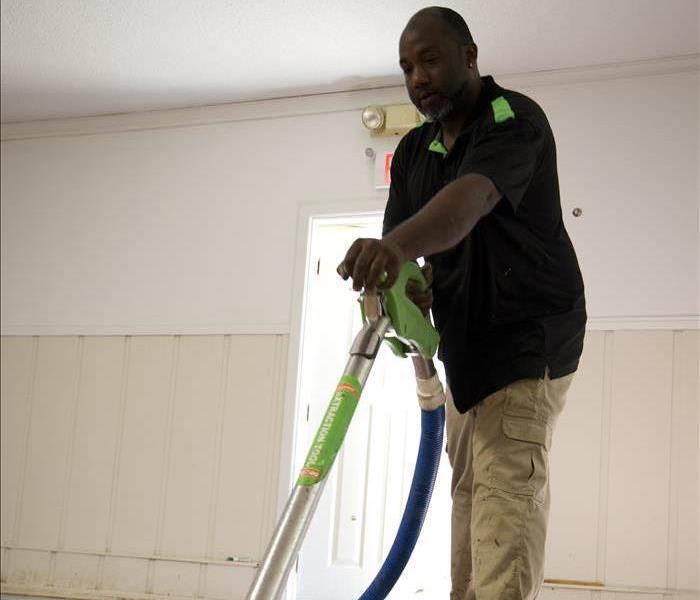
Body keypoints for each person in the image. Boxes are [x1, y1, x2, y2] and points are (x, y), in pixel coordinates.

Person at [337, 6, 586, 600]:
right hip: (465, 351)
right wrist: (403, 283)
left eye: (429, 60)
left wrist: (395, 247)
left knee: (505, 501)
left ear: (469, 56)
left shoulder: (514, 120)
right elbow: (411, 252)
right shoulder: (417, 148)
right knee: (472, 497)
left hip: (527, 345)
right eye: (406, 67)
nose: (416, 77)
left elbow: (468, 203)